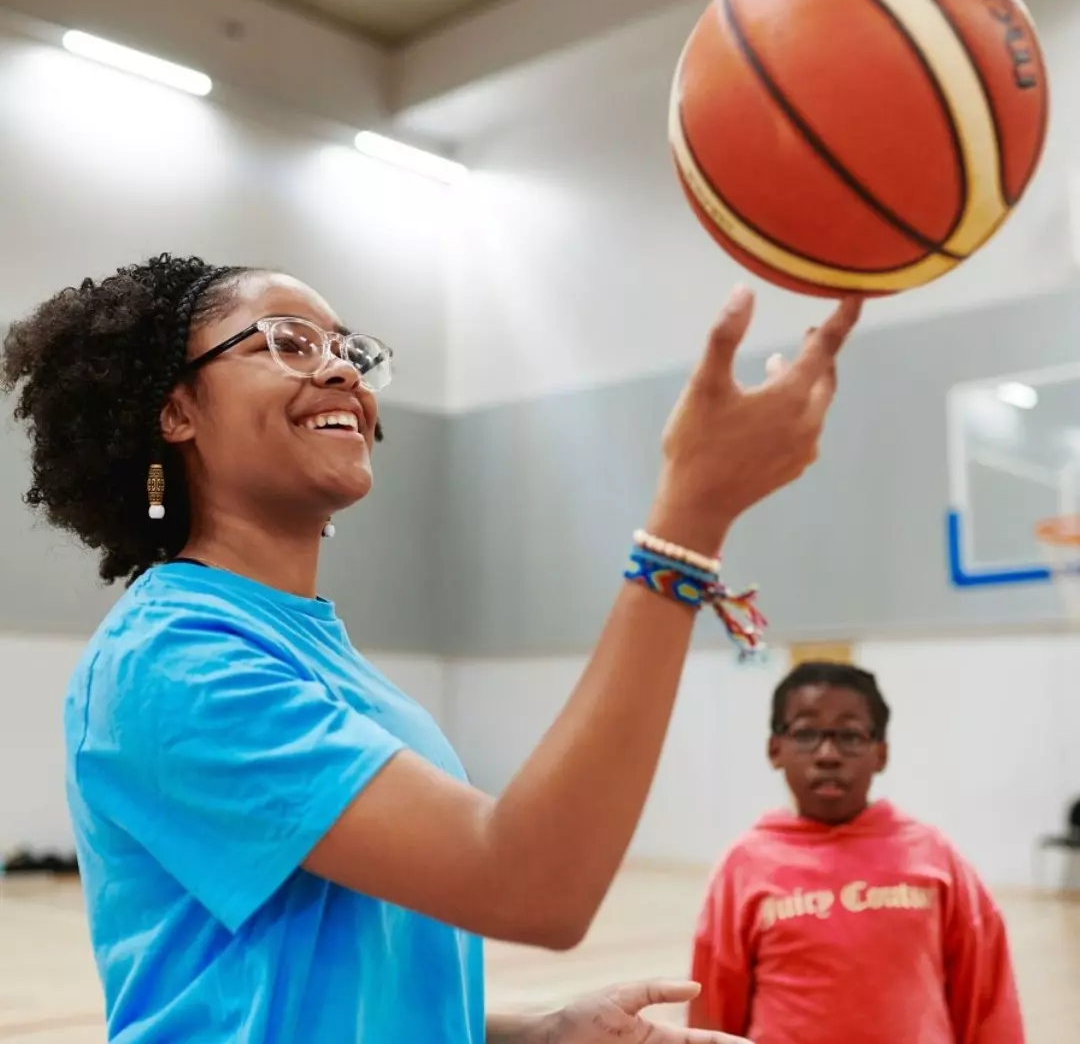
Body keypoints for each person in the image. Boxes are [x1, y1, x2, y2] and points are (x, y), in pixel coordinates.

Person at [0, 253, 859, 1043]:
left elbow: (337, 981)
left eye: (348, 350)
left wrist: (535, 1031)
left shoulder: (304, 642)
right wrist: (688, 520)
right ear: (176, 409)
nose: (339, 369)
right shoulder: (174, 661)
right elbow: (533, 886)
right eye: (288, 342)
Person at [688, 660, 1024, 1044]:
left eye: (849, 736)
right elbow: (713, 1009)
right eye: (806, 733)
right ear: (775, 749)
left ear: (880, 753)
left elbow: (986, 997)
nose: (828, 754)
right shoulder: (744, 865)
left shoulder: (933, 857)